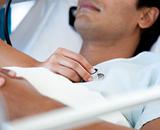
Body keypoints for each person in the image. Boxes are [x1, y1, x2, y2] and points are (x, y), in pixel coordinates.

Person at [0, 0, 160, 130]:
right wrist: (36, 67)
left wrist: (34, 107)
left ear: (145, 16)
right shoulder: (38, 66)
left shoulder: (151, 72)